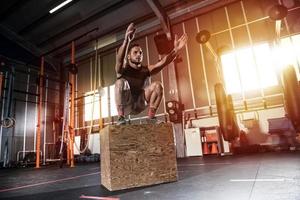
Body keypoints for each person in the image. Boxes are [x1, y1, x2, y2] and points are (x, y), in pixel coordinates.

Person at [115, 23, 187, 125]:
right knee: (120, 82)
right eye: (135, 52)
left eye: (141, 53)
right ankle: (121, 117)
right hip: (127, 105)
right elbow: (119, 60)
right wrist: (126, 41)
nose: (139, 54)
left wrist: (175, 50)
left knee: (158, 85)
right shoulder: (123, 69)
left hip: (140, 103)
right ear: (129, 56)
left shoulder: (146, 69)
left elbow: (163, 63)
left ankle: (151, 118)